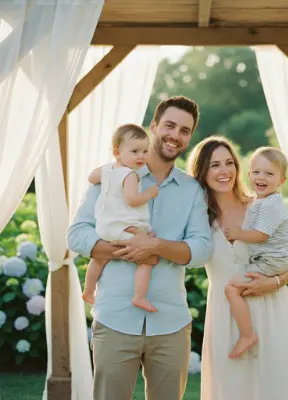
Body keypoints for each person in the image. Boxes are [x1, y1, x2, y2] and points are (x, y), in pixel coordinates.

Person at [67, 96, 213, 400]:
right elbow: (77, 235)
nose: (175, 135)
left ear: (189, 137)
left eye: (184, 130)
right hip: (114, 317)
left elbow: (201, 249)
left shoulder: (192, 190)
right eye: (169, 125)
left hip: (171, 322)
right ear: (154, 126)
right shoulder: (111, 176)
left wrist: (155, 246)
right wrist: (129, 249)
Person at [187, 136, 288, 400]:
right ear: (202, 172)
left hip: (272, 310)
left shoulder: (262, 207)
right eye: (214, 165)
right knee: (232, 389)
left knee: (276, 389)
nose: (224, 171)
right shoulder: (197, 219)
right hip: (225, 314)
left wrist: (275, 282)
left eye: (229, 163)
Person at [224, 146, 288, 358]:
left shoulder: (271, 205)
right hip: (277, 258)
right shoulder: (261, 201)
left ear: (282, 180)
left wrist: (238, 233)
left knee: (232, 289)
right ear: (249, 173)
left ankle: (247, 335)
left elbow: (261, 235)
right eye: (256, 172)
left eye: (269, 174)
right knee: (277, 286)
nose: (261, 177)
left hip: (272, 259)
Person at [81, 124, 159, 312]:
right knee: (149, 257)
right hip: (122, 227)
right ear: (117, 152)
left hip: (105, 227)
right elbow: (132, 200)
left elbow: (91, 177)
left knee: (99, 259)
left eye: (145, 151)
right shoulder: (130, 175)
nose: (141, 156)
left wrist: (107, 168)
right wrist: (149, 194)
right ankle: (139, 296)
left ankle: (88, 290)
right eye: (135, 151)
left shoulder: (108, 170)